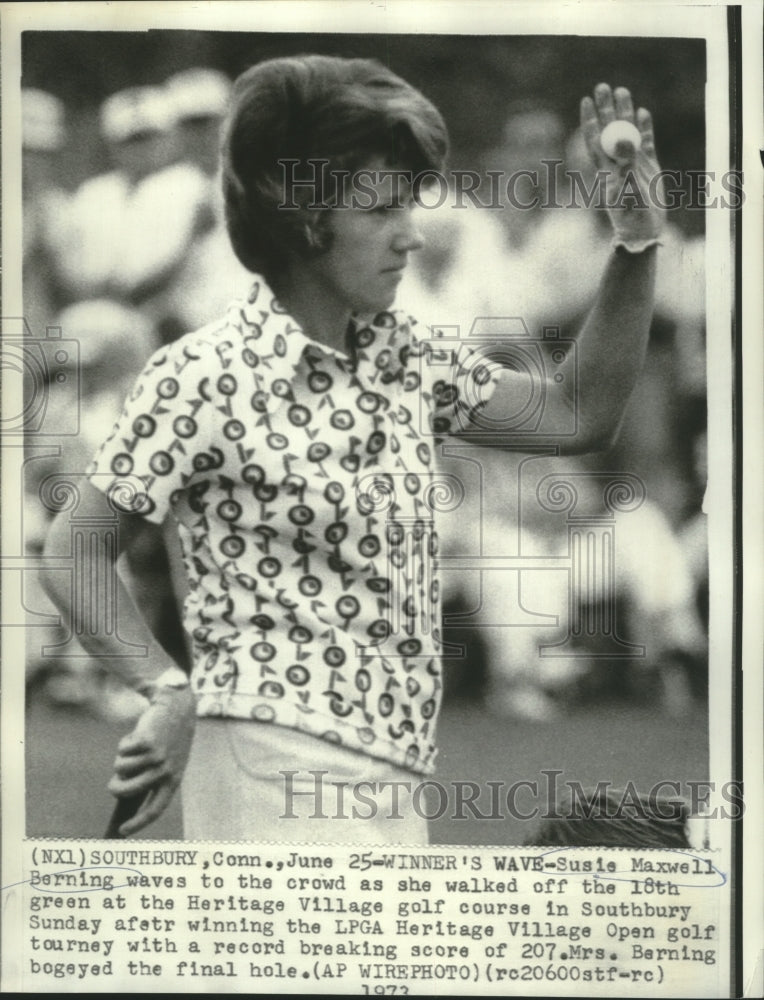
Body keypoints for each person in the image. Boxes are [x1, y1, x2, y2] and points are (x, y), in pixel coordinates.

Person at [42, 55, 665, 843]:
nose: (412, 234)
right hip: (264, 766)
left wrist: (636, 244)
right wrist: (163, 687)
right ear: (304, 218)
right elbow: (74, 546)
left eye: (411, 203)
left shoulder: (408, 359)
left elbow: (576, 414)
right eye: (380, 210)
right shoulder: (204, 374)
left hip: (398, 770)